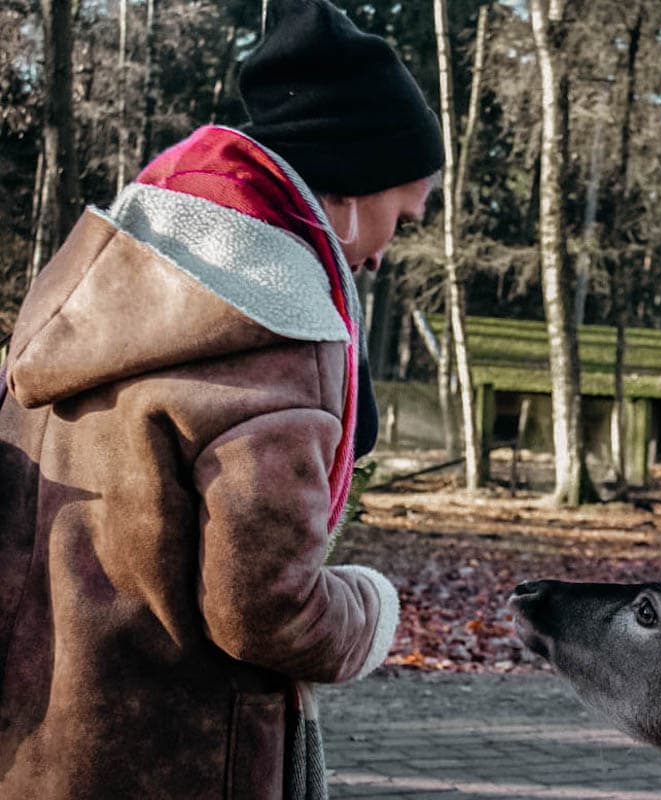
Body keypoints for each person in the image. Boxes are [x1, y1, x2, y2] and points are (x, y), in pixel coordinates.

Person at [0, 1, 444, 797]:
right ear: (346, 189)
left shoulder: (89, 293)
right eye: (399, 218)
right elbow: (270, 609)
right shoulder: (277, 335)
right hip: (187, 763)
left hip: (37, 747)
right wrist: (373, 611)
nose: (383, 254)